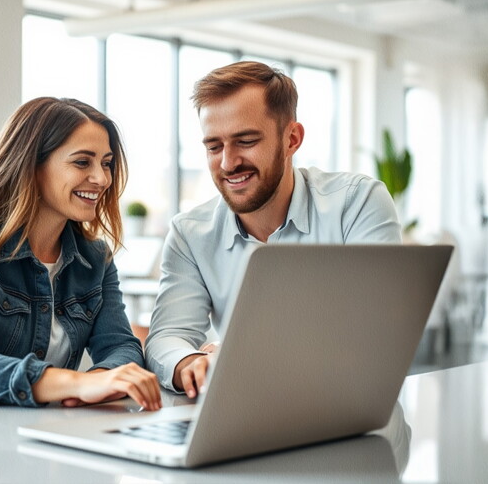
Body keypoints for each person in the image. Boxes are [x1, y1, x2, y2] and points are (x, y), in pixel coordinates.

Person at [145, 61, 401, 398]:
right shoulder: (190, 233)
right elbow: (167, 336)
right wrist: (191, 363)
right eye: (214, 146)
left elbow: (377, 330)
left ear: (292, 139)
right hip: (245, 415)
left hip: (351, 408)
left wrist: (241, 357)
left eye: (246, 141)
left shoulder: (357, 203)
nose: (227, 163)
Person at [0, 97, 161, 411]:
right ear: (31, 164)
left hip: (37, 434)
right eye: (82, 162)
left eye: (106, 163)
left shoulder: (95, 258)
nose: (102, 179)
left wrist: (104, 379)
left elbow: (120, 346)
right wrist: (78, 383)